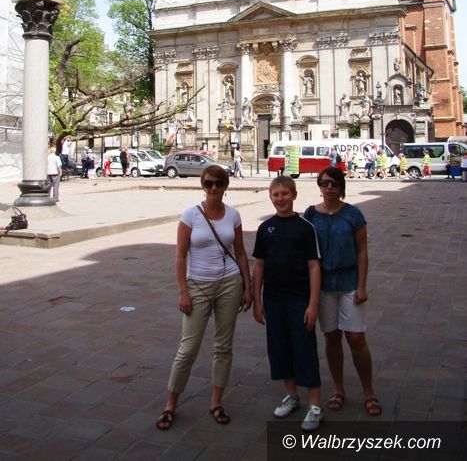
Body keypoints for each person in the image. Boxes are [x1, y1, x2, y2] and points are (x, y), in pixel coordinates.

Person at [156, 165, 252, 431]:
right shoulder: (190, 215)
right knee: (188, 348)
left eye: (219, 183)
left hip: (230, 283)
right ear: (202, 185)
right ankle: (170, 405)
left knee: (223, 346)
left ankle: (216, 402)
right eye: (209, 183)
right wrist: (183, 291)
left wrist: (248, 286)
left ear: (226, 186)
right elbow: (180, 255)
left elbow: (240, 252)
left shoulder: (233, 215)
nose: (214, 188)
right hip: (197, 284)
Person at [303, 167, 382, 417]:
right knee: (332, 337)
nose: (329, 188)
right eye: (325, 183)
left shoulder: (353, 214)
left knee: (356, 338)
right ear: (319, 185)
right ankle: (338, 389)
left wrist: (362, 285)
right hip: (323, 285)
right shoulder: (310, 214)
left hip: (349, 282)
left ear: (341, 187)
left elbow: (362, 251)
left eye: (334, 184)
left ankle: (368, 391)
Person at [253, 176, 323, 431]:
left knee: (305, 348)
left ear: (294, 195)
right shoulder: (265, 228)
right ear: (270, 197)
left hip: (299, 298)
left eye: (284, 194)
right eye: (276, 194)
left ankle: (315, 404)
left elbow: (314, 265)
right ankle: (292, 395)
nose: (280, 199)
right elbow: (259, 265)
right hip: (273, 299)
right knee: (279, 348)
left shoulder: (305, 227)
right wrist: (257, 299)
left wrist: (313, 304)